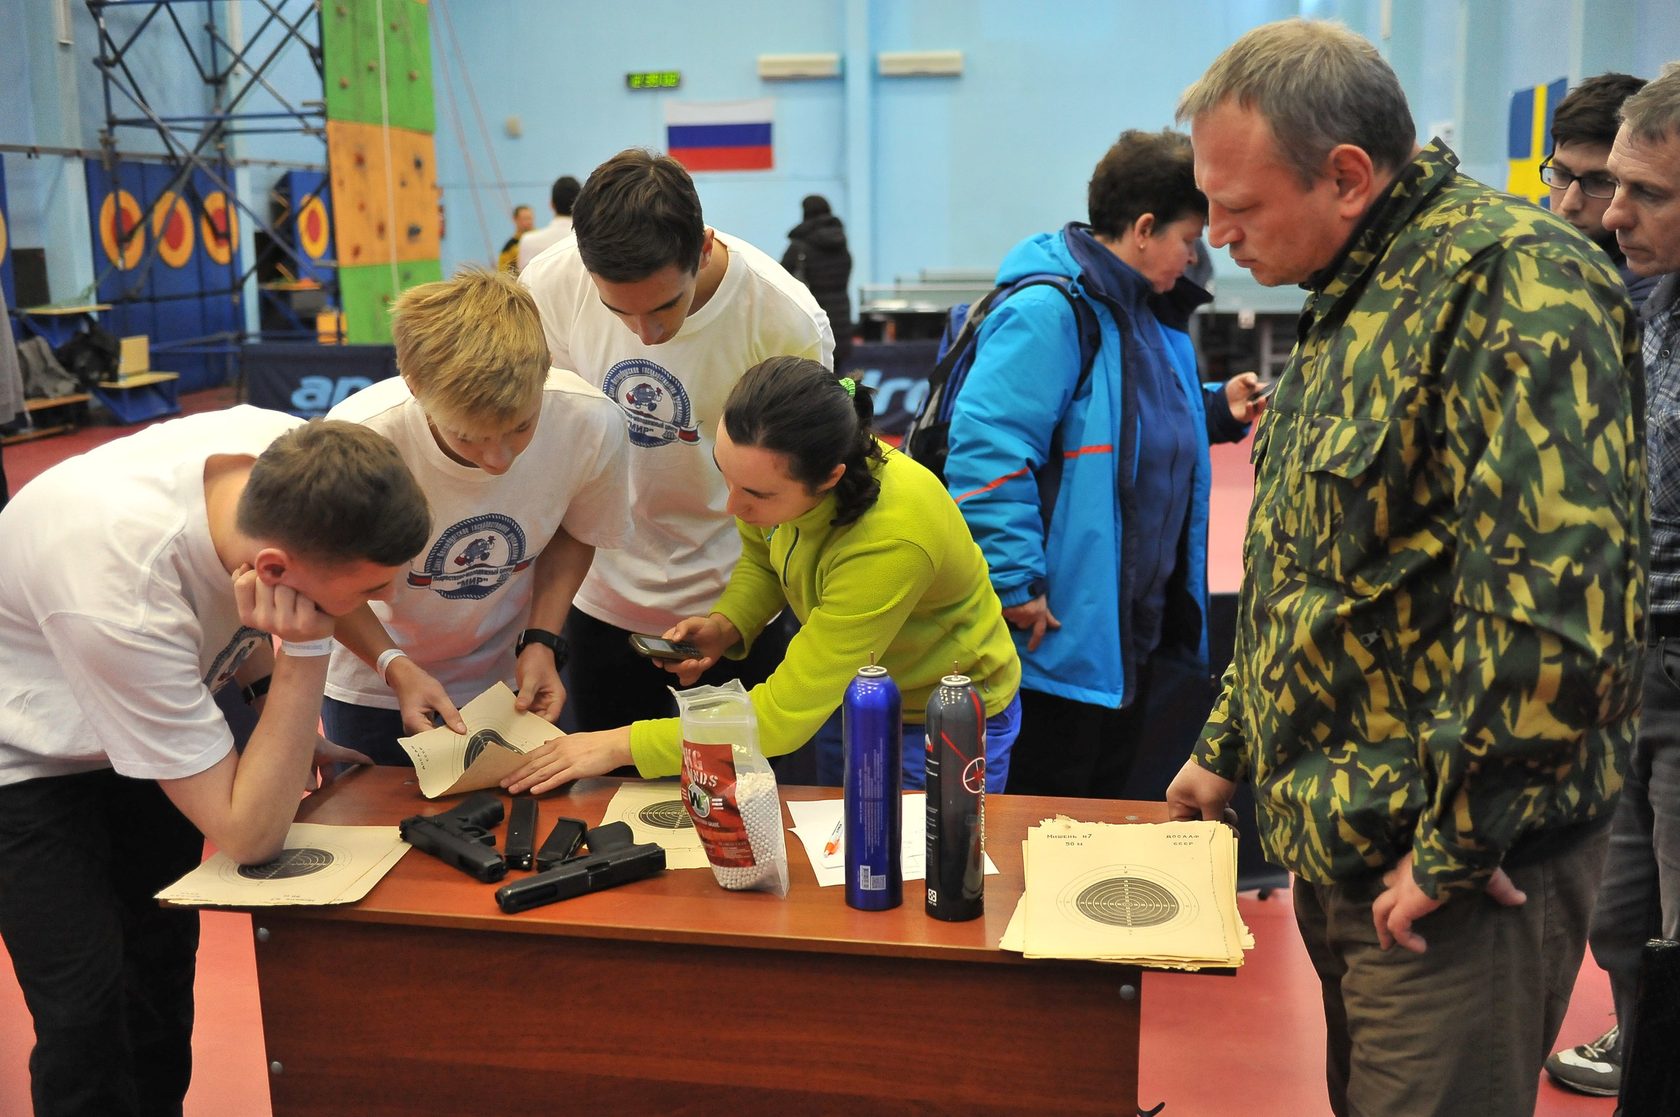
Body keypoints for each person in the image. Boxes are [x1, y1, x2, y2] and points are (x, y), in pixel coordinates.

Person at [1165, 20, 1645, 1117]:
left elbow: (1557, 611)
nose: (1216, 235)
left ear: (1345, 176)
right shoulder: (1354, 291)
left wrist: (1462, 844)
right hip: (1349, 840)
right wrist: (1226, 746)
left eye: (1239, 207)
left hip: (1450, 879)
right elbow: (1306, 565)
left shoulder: (1515, 284)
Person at [0, 411, 431, 1115]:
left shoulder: (291, 457)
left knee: (159, 971)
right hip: (25, 752)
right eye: (371, 589)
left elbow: (254, 599)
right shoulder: (123, 592)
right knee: (84, 1009)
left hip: (144, 691)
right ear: (272, 572)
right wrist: (304, 656)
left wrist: (273, 693)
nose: (383, 602)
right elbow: (250, 834)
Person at [502, 357, 1020, 794]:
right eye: (725, 474)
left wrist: (616, 745)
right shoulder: (784, 477)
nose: (732, 506)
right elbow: (764, 558)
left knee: (914, 879)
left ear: (830, 479)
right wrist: (730, 623)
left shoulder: (892, 538)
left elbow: (779, 722)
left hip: (940, 714)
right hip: (852, 692)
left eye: (757, 496)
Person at [943, 128, 1265, 801]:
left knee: (1106, 819)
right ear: (1144, 228)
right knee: (1045, 824)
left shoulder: (1148, 311)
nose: (1196, 256)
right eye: (1189, 237)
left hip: (1128, 635)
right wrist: (1014, 582)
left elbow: (1132, 426)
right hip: (1055, 636)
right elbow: (987, 449)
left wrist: (1214, 409)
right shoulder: (1049, 312)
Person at [521, 149, 833, 732]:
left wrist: (741, 613)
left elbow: (794, 504)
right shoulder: (550, 285)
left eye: (667, 305)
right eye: (621, 311)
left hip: (737, 600)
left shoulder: (783, 319)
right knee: (605, 803)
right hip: (598, 596)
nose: (650, 334)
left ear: (705, 245)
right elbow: (555, 454)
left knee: (741, 801)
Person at [321, 267, 632, 763]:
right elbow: (322, 582)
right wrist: (392, 664)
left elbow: (575, 531)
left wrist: (542, 639)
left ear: (546, 367)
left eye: (520, 427)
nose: (498, 460)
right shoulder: (360, 440)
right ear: (415, 385)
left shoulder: (590, 423)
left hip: (512, 683)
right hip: (374, 685)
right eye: (467, 437)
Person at [1549, 60, 1680, 1110]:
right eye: (1607, 184)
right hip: (1630, 674)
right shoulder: (1641, 303)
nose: (1606, 212)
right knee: (1622, 926)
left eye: (1646, 193)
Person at [1543, 72, 1659, 311]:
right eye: (1562, 173)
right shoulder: (1538, 251)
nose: (1569, 203)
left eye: (1599, 181)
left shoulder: (1653, 289)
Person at [781, 194, 854, 370]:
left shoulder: (800, 246)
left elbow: (780, 277)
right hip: (842, 316)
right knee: (840, 377)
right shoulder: (841, 242)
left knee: (817, 377)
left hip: (814, 317)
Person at [515, 174, 581, 273]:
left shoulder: (528, 241)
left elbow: (521, 284)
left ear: (551, 204)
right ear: (580, 204)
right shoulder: (590, 241)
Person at [496, 204, 535, 272]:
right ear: (515, 219)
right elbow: (502, 274)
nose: (529, 222)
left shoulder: (541, 239)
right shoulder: (509, 247)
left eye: (530, 218)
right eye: (525, 219)